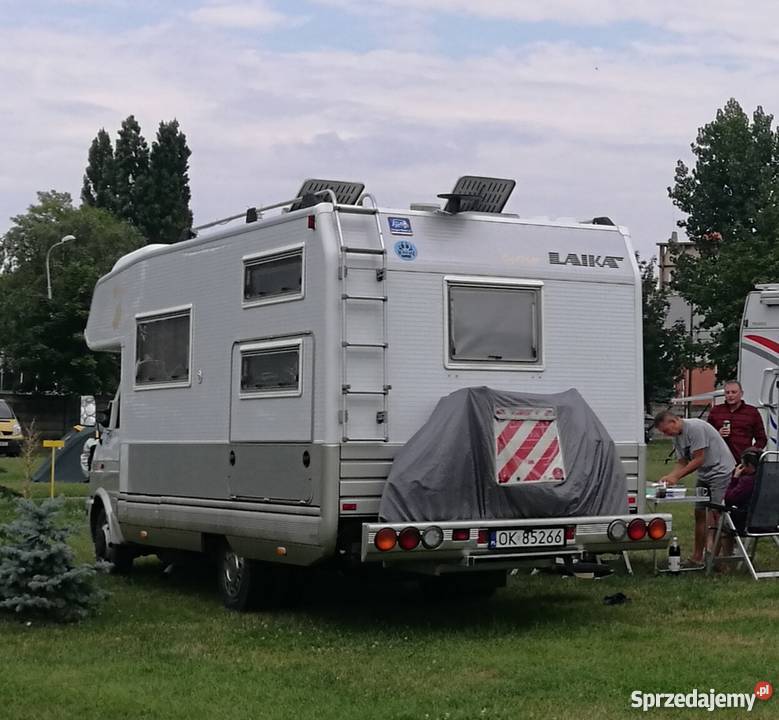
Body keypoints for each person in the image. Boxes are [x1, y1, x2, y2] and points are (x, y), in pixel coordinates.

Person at [654, 411, 736, 565]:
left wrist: (677, 477)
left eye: (666, 431)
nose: (666, 435)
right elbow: (682, 461)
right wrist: (670, 476)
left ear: (674, 421)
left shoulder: (695, 427)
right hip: (705, 474)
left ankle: (717, 558)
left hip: (720, 471)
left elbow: (699, 459)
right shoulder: (677, 437)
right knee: (699, 513)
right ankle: (697, 556)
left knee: (716, 514)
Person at [707, 380, 766, 462]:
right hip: (719, 462)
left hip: (742, 461)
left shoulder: (752, 412)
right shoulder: (716, 411)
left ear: (741, 393)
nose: (730, 395)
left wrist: (751, 452)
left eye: (734, 392)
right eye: (727, 393)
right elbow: (706, 436)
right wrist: (717, 434)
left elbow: (762, 439)